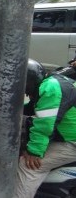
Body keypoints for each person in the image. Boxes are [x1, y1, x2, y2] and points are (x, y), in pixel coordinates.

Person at [15, 59, 76, 197]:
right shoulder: (53, 80)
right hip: (70, 132)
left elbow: (45, 125)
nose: (27, 95)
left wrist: (34, 152)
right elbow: (34, 107)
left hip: (72, 141)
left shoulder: (50, 90)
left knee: (28, 166)